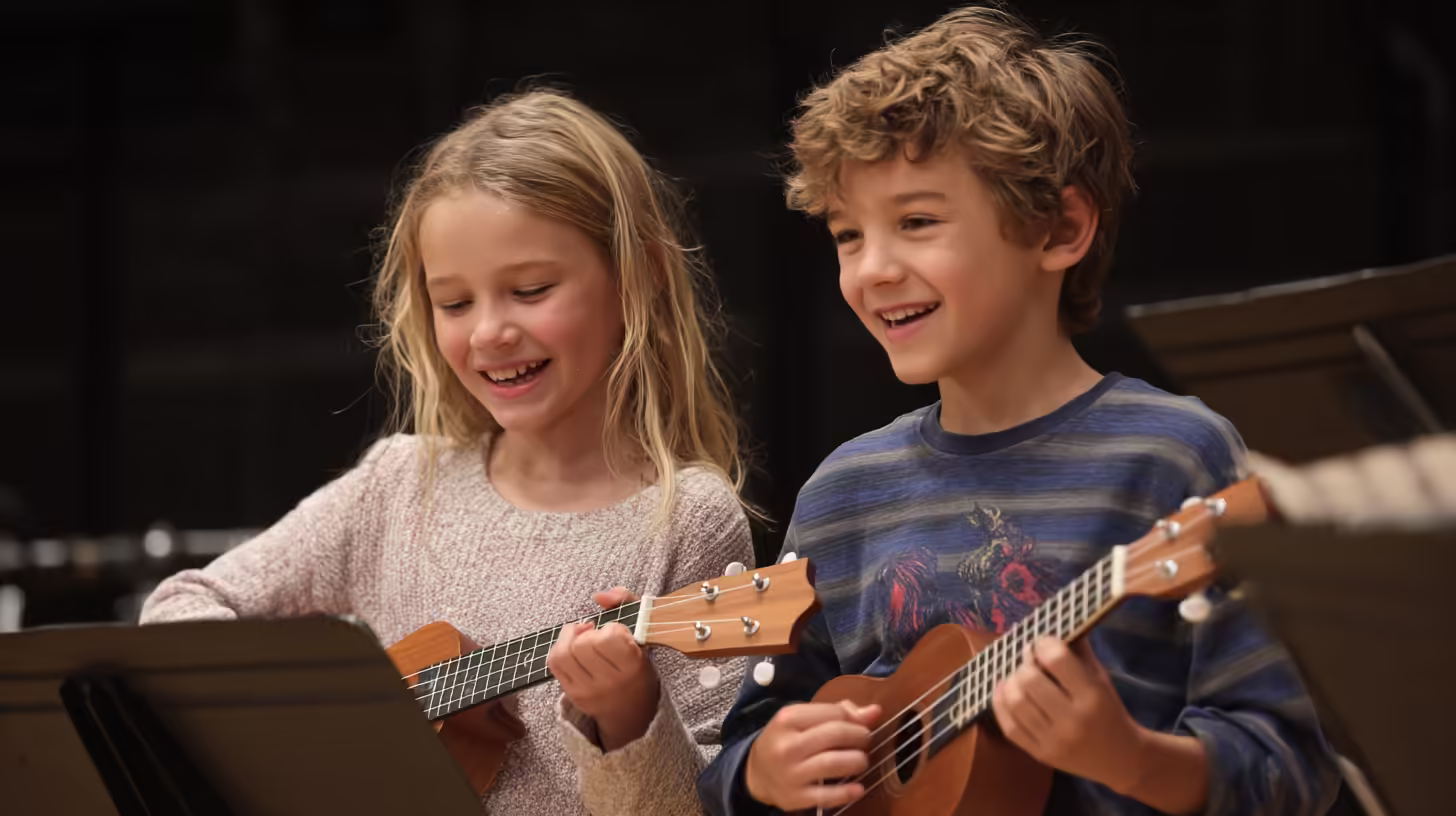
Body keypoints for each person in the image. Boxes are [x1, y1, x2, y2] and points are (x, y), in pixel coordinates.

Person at [698, 6, 1339, 815]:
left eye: (917, 222)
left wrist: (1128, 757)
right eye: (847, 235)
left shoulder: (1174, 458)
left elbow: (1294, 771)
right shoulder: (844, 492)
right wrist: (761, 773)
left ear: (1060, 227)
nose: (873, 270)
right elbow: (742, 751)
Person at [141, 88, 755, 816]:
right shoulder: (401, 484)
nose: (489, 330)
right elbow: (184, 606)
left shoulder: (688, 519)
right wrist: (309, 730)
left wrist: (627, 715)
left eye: (529, 290)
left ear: (639, 275)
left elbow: (714, 802)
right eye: (455, 303)